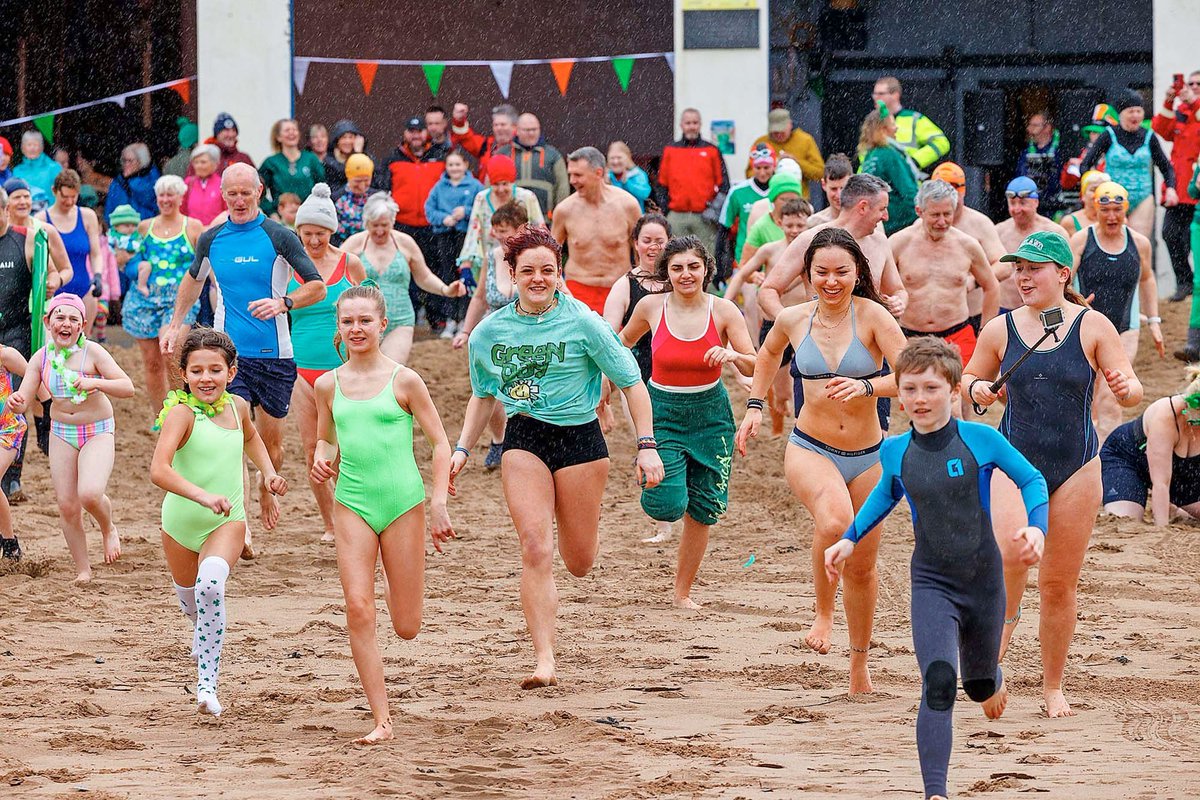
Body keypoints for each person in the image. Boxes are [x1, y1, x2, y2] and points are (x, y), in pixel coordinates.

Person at [826, 337, 1047, 800]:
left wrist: (1036, 529)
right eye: (909, 389)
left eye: (930, 389)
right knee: (941, 680)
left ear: (953, 392)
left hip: (985, 582)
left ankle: (990, 680)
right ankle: (936, 792)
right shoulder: (895, 450)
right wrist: (848, 539)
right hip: (931, 582)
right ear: (899, 393)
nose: (919, 400)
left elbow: (1032, 478)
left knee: (979, 682)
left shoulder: (981, 439)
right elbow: (886, 494)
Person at [450, 224, 663, 689]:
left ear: (559, 271)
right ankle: (544, 659)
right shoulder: (490, 332)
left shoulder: (586, 322)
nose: (538, 278)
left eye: (548, 269)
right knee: (534, 545)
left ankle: (581, 537)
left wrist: (646, 446)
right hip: (524, 436)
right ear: (512, 274)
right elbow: (484, 395)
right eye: (528, 271)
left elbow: (631, 383)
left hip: (581, 440)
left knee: (579, 561)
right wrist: (463, 448)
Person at [963, 230, 1143, 718]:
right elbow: (968, 379)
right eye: (1018, 268)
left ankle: (1052, 688)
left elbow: (1130, 390)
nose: (1023, 276)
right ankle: (996, 649)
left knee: (1059, 583)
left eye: (1034, 267)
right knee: (1010, 558)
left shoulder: (1094, 325)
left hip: (1078, 465)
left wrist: (1127, 388)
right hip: (1014, 461)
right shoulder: (1001, 329)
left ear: (1063, 274)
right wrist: (979, 389)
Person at [738, 228, 906, 695]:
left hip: (870, 455)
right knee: (835, 522)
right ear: (807, 275)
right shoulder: (793, 318)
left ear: (857, 273)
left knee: (865, 565)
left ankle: (859, 665)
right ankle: (823, 613)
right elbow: (768, 356)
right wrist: (754, 407)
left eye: (841, 272)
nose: (831, 281)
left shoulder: (873, 317)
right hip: (811, 446)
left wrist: (869, 385)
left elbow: (912, 374)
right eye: (821, 273)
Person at [311, 284, 455, 743]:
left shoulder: (405, 379)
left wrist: (438, 501)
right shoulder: (327, 384)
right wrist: (320, 455)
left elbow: (440, 443)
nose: (356, 329)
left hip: (403, 504)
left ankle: (396, 574)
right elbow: (326, 438)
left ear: (381, 324)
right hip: (351, 500)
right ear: (339, 327)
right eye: (348, 321)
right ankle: (382, 720)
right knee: (358, 608)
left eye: (364, 321)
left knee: (407, 626)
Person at [160, 163, 326, 541]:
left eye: (244, 192)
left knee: (271, 446)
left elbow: (316, 286)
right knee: (232, 440)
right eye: (231, 193)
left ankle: (266, 488)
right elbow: (193, 280)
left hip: (274, 356)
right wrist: (175, 325)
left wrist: (283, 302)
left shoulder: (278, 236)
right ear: (222, 193)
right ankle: (241, 525)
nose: (237, 199)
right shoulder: (211, 238)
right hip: (226, 356)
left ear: (259, 191)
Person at [151, 328, 287, 716]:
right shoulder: (180, 414)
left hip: (227, 522)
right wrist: (202, 495)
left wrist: (267, 473)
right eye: (196, 371)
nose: (206, 378)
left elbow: (252, 438)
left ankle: (207, 684)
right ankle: (201, 633)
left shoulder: (239, 407)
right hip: (179, 524)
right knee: (192, 606)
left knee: (211, 586)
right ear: (184, 374)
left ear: (231, 372)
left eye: (215, 369)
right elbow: (158, 470)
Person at [617, 236, 755, 607]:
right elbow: (620, 345)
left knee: (704, 508)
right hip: (663, 411)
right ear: (667, 273)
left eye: (693, 266)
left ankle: (682, 593)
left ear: (706, 269)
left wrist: (731, 353)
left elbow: (756, 361)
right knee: (667, 505)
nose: (685, 274)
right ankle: (647, 470)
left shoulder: (724, 311)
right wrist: (611, 387)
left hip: (711, 416)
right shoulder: (650, 306)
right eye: (677, 268)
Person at [7, 294, 135, 583]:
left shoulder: (93, 353)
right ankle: (83, 569)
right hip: (62, 432)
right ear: (47, 322)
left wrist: (95, 382)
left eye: (73, 319)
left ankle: (107, 527)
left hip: (97, 429)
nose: (66, 324)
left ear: (82, 326)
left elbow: (127, 387)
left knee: (89, 494)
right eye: (59, 318)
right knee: (67, 505)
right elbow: (26, 396)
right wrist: (17, 401)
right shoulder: (41, 358)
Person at [290, 185, 366, 543]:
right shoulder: (287, 264)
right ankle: (331, 523)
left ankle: (355, 513)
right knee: (312, 451)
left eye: (320, 234)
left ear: (331, 232)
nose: (313, 241)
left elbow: (370, 308)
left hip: (344, 369)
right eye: (307, 234)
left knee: (348, 449)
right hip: (301, 369)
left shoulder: (349, 264)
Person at [1069, 180, 1163, 441]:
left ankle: (1106, 453)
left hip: (1125, 328)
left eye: (1117, 211)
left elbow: (1147, 279)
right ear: (1095, 210)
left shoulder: (1139, 243)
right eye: (1105, 210)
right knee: (1086, 391)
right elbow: (1062, 277)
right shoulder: (1082, 239)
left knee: (1112, 391)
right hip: (1085, 327)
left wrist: (1154, 321)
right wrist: (1073, 300)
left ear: (1126, 210)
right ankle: (1085, 447)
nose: (1111, 217)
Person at [342, 194, 465, 364]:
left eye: (384, 225)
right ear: (366, 222)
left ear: (392, 222)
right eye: (374, 225)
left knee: (390, 372)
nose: (379, 231)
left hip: (399, 319)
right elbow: (336, 277)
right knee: (364, 374)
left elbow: (424, 276)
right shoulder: (354, 244)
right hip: (361, 323)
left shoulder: (405, 243)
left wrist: (445, 289)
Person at [452, 201, 529, 470]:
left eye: (505, 230)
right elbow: (481, 296)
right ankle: (499, 440)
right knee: (491, 390)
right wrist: (465, 330)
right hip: (495, 333)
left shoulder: (535, 258)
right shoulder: (492, 256)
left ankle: (525, 441)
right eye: (495, 230)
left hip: (529, 331)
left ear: (521, 229)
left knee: (525, 391)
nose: (499, 235)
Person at [890, 180, 999, 363]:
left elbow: (992, 286)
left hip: (957, 335)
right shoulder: (899, 242)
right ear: (920, 211)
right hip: (909, 336)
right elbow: (877, 286)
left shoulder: (967, 245)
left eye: (947, 214)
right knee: (908, 389)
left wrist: (985, 332)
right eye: (935, 215)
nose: (942, 221)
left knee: (962, 389)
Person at [124, 175, 204, 414]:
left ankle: (182, 411)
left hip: (179, 300)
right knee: (151, 362)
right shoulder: (144, 227)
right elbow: (129, 262)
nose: (166, 199)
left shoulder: (193, 227)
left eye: (171, 194)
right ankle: (161, 417)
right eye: (162, 195)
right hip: (145, 300)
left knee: (172, 352)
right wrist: (134, 267)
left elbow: (206, 265)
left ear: (181, 197)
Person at [1102, 368, 1200, 527]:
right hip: (1129, 458)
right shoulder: (1166, 415)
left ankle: (1176, 509)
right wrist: (1162, 529)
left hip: (1180, 469)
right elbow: (1161, 482)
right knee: (1126, 521)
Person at [550, 147, 641, 314]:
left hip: (618, 289)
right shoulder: (564, 210)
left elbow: (640, 253)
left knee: (618, 340)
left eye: (578, 175)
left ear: (598, 173)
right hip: (577, 290)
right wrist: (562, 290)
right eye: (570, 174)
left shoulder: (628, 205)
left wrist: (640, 291)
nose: (572, 180)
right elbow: (550, 256)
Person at [379, 115, 449, 328]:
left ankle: (437, 319)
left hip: (433, 227)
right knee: (405, 271)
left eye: (419, 131)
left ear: (426, 133)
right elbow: (383, 190)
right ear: (405, 134)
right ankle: (409, 318)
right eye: (411, 131)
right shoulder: (392, 159)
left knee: (435, 270)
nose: (416, 135)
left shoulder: (440, 155)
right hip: (403, 226)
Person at [1080, 90, 1177, 241]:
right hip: (1112, 197)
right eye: (1131, 111)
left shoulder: (1149, 136)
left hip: (1142, 197)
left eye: (1139, 111)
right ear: (1121, 114)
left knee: (1138, 242)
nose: (1135, 116)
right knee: (1114, 241)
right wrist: (1092, 185)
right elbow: (1086, 164)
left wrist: (1171, 188)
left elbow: (1165, 166)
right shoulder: (1109, 135)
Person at [927, 161, 1009, 334]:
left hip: (971, 317)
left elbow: (1005, 265)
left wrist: (975, 280)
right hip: (929, 323)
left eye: (952, 191)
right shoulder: (922, 225)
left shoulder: (979, 224)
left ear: (962, 191)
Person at [424, 149, 483, 337]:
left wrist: (465, 211)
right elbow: (429, 209)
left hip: (466, 237)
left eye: (458, 164)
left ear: (465, 165)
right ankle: (450, 320)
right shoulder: (439, 187)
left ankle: (466, 319)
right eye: (451, 165)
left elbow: (483, 207)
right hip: (444, 237)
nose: (454, 168)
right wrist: (444, 218)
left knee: (467, 277)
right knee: (448, 276)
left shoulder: (475, 186)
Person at [1153, 71, 1200, 303]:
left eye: (1197, 84)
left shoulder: (1195, 109)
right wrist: (1170, 100)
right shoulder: (1182, 112)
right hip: (1179, 190)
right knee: (1170, 234)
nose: (1192, 87)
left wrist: (1193, 101)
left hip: (1196, 189)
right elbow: (1161, 128)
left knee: (1193, 238)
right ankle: (1185, 282)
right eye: (1190, 84)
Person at [456, 154, 544, 273]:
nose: (501, 189)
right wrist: (467, 263)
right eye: (496, 184)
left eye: (505, 184)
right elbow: (473, 232)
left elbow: (540, 232)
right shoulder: (481, 198)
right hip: (489, 264)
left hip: (522, 262)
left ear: (512, 182)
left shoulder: (527, 197)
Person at [657, 108, 729, 252]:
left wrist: (713, 210)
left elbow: (724, 185)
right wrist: (666, 210)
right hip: (677, 215)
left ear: (700, 124)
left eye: (695, 122)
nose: (691, 126)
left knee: (706, 258)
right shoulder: (670, 150)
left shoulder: (712, 150)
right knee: (673, 256)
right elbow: (661, 185)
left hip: (704, 216)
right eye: (688, 123)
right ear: (681, 125)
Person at [39, 170, 103, 329]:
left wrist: (98, 276)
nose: (69, 201)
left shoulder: (87, 216)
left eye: (73, 197)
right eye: (65, 197)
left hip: (84, 288)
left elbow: (95, 253)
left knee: (83, 342)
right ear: (54, 191)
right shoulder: (41, 219)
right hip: (53, 290)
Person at [996, 176, 1063, 313]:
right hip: (1005, 308)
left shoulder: (1053, 233)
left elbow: (1066, 275)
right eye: (1012, 203)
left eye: (1022, 203)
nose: (1016, 209)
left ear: (1036, 202)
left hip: (1043, 309)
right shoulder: (998, 232)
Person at [719, 142, 774, 286]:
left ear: (774, 166)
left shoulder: (780, 190)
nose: (762, 173)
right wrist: (721, 267)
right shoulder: (738, 192)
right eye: (758, 167)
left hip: (775, 258)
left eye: (766, 168)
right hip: (746, 259)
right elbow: (724, 229)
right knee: (749, 306)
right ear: (752, 167)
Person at [495, 113, 570, 217]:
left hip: (545, 220)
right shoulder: (502, 153)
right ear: (517, 130)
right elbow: (491, 184)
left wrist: (559, 215)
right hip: (509, 220)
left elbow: (562, 187)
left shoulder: (553, 155)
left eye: (534, 129)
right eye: (527, 130)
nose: (531, 133)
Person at [872, 76, 951, 173]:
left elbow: (941, 142)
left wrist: (914, 162)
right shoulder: (873, 122)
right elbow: (865, 153)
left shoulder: (915, 119)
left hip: (905, 180)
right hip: (878, 180)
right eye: (874, 94)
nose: (876, 97)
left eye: (881, 94)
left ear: (895, 95)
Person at [858, 106, 917, 234]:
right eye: (893, 124)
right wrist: (918, 218)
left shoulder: (870, 155)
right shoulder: (889, 155)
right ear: (883, 129)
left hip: (877, 224)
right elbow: (909, 192)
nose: (896, 128)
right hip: (898, 225)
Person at [746, 108, 824, 198]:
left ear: (790, 125)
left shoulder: (805, 140)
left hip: (799, 201)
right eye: (775, 132)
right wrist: (770, 166)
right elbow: (749, 175)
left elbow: (820, 173)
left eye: (782, 131)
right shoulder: (761, 143)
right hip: (768, 199)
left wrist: (796, 162)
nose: (779, 135)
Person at [258, 118, 325, 216]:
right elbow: (258, 191)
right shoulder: (271, 162)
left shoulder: (310, 159)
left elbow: (322, 187)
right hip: (282, 220)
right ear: (278, 137)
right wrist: (272, 212)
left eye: (294, 130)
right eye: (287, 130)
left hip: (309, 217)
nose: (291, 133)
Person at [740, 173, 806, 266]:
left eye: (793, 200)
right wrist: (755, 276)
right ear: (773, 200)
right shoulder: (761, 226)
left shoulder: (808, 222)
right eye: (784, 199)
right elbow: (744, 263)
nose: (789, 204)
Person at [0, 345, 28, 560]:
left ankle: (9, 543)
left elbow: (35, 377)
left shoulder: (5, 354)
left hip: (8, 428)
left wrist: (44, 417)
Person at [450, 102, 518, 181]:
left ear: (514, 127)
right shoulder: (486, 145)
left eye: (503, 125)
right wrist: (459, 120)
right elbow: (465, 138)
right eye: (496, 125)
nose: (498, 128)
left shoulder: (523, 147)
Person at [1015, 112, 1066, 214]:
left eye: (1034, 125)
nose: (1029, 129)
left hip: (1054, 205)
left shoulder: (1062, 150)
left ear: (1047, 127)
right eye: (1029, 125)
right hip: (1030, 202)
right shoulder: (1025, 152)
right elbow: (1019, 175)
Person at [105, 143, 161, 223]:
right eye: (124, 160)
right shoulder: (118, 182)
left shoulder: (151, 179)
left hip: (143, 228)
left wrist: (131, 181)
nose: (126, 164)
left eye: (130, 161)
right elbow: (109, 208)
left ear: (141, 162)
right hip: (118, 228)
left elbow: (149, 201)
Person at [332, 153, 377, 246]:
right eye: (358, 181)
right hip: (344, 249)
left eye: (366, 180)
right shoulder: (336, 199)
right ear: (348, 177)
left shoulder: (377, 198)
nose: (362, 186)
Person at [12, 130, 62, 209]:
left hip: (49, 215)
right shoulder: (17, 171)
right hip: (25, 216)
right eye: (29, 144)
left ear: (41, 147)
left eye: (35, 144)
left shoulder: (54, 168)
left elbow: (62, 193)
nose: (32, 148)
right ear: (23, 148)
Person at [807, 154, 854, 228]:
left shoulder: (866, 221)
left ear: (852, 184)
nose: (839, 195)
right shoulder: (814, 223)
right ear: (824, 185)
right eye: (833, 189)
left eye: (843, 188)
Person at [181, 144, 224, 226]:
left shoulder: (222, 184)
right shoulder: (188, 183)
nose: (198, 166)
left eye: (203, 162)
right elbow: (182, 210)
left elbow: (227, 212)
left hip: (215, 232)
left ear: (215, 164)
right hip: (193, 233)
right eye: (196, 162)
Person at [1059, 169, 1109, 236]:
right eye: (1093, 190)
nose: (1098, 194)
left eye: (1102, 190)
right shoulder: (1069, 222)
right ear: (1083, 195)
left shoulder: (1117, 219)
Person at [606, 141, 651, 212]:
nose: (615, 162)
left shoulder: (637, 174)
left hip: (634, 216)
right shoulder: (605, 176)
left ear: (627, 157)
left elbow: (644, 194)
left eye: (619, 158)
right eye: (612, 158)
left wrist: (627, 183)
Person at [322, 119, 364, 195]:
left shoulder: (366, 158)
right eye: (344, 137)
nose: (347, 141)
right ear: (337, 141)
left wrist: (358, 154)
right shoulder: (329, 162)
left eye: (351, 137)